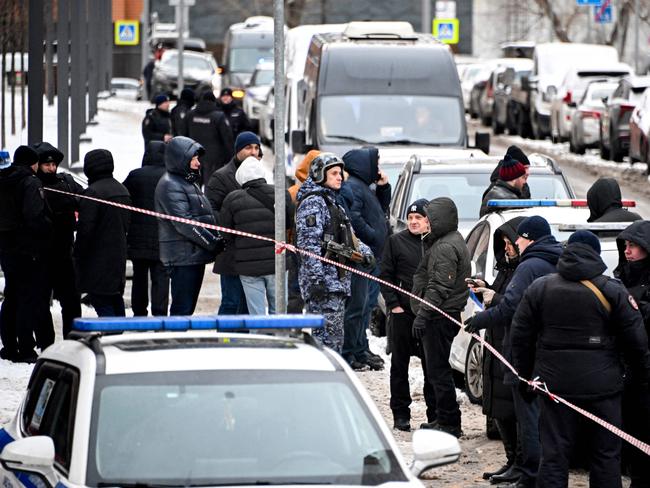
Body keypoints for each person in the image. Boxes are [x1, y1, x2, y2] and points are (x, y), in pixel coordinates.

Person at [511, 230, 650, 488]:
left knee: (554, 456)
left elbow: (519, 336)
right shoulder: (612, 289)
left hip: (555, 388)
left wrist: (525, 377)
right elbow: (637, 342)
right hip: (603, 388)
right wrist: (638, 380)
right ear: (596, 255)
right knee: (606, 457)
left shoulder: (540, 287)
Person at [465, 215, 563, 487]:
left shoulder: (528, 266)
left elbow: (511, 307)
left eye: (519, 238)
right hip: (548, 350)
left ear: (529, 238)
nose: (516, 243)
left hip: (523, 350)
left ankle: (529, 474)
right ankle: (525, 467)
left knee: (527, 416)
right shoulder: (557, 260)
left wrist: (479, 320)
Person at [467, 216, 525, 484]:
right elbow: (500, 301)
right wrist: (484, 291)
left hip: (510, 347)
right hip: (496, 344)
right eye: (502, 243)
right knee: (500, 410)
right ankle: (512, 460)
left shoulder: (525, 270)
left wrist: (493, 301)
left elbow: (515, 306)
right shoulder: (506, 268)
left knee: (513, 412)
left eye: (509, 242)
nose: (507, 247)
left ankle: (520, 463)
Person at [296, 152, 373, 353]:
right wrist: (317, 279)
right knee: (326, 345)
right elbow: (308, 245)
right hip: (324, 285)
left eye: (340, 173)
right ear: (320, 174)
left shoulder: (333, 202)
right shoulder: (313, 202)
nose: (340, 177)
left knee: (335, 341)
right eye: (334, 173)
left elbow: (349, 236)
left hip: (336, 283)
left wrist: (365, 253)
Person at [410, 197, 471, 438]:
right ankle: (443, 419)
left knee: (438, 371)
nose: (425, 223)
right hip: (440, 314)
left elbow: (438, 287)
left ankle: (449, 422)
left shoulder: (445, 247)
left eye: (429, 219)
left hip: (439, 317)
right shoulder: (446, 241)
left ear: (438, 220)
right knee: (437, 370)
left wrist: (423, 315)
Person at [380, 198, 437, 432]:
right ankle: (400, 414)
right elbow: (385, 275)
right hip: (402, 314)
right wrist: (394, 305)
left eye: (418, 218)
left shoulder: (437, 244)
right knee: (399, 365)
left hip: (427, 314)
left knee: (431, 366)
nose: (413, 222)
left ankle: (435, 414)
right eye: (410, 218)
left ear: (428, 221)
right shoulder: (396, 242)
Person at [155, 136, 225, 315]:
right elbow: (185, 223)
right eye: (193, 158)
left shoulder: (186, 182)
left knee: (187, 308)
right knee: (182, 308)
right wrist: (211, 242)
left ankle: (178, 337)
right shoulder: (170, 185)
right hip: (183, 257)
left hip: (193, 255)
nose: (198, 163)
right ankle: (175, 340)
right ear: (180, 159)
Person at [219, 157, 293, 314]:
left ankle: (258, 337)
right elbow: (289, 224)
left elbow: (226, 233)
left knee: (256, 314)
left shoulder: (232, 199)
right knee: (279, 311)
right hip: (277, 263)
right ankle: (280, 337)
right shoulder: (281, 194)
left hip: (248, 267)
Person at [340, 147, 391, 371]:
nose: (377, 168)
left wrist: (384, 187)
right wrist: (374, 236)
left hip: (372, 257)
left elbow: (381, 209)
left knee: (366, 306)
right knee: (358, 308)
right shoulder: (353, 188)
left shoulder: (364, 187)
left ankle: (361, 347)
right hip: (363, 257)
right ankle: (352, 351)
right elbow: (355, 220)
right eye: (375, 163)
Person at [0, 146, 51, 363]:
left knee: (11, 297)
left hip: (7, 248)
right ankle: (26, 348)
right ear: (33, 163)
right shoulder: (31, 182)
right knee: (27, 299)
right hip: (28, 249)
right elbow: (34, 216)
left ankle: (9, 345)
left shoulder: (4, 178)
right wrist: (48, 227)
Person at [206, 131, 261, 315]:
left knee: (247, 304)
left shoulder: (258, 174)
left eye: (256, 148)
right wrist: (232, 229)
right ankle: (225, 340)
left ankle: (244, 341)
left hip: (251, 253)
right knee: (231, 301)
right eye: (248, 148)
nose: (253, 152)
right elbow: (210, 212)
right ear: (237, 150)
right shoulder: (221, 177)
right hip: (230, 252)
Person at [33, 142, 84, 338]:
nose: (51, 169)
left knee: (71, 301)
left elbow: (83, 198)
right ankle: (45, 342)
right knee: (40, 301)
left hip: (64, 253)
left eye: (54, 165)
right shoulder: (32, 185)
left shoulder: (67, 182)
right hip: (41, 255)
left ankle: (72, 340)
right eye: (47, 165)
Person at [614, 220, 650, 488]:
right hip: (624, 368)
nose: (628, 251)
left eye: (634, 246)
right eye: (626, 245)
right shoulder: (620, 278)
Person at [75, 149, 131, 317]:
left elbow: (85, 230)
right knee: (115, 299)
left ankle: (112, 337)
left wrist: (77, 255)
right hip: (118, 257)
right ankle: (119, 333)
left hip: (97, 261)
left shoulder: (93, 193)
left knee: (103, 303)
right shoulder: (122, 189)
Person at [123, 141, 170, 317]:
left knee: (139, 278)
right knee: (161, 278)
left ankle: (139, 313)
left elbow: (123, 199)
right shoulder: (169, 177)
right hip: (163, 240)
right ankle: (160, 315)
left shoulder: (135, 176)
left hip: (138, 240)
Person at [287, 150, 321, 313]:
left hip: (301, 249)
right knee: (296, 292)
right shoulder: (294, 193)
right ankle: (293, 329)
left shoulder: (294, 192)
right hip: (297, 250)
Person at [187, 91, 235, 187]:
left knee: (194, 188)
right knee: (212, 188)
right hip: (214, 159)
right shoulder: (219, 116)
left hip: (194, 157)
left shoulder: (190, 114)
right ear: (214, 101)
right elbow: (227, 139)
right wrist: (231, 158)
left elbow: (183, 134)